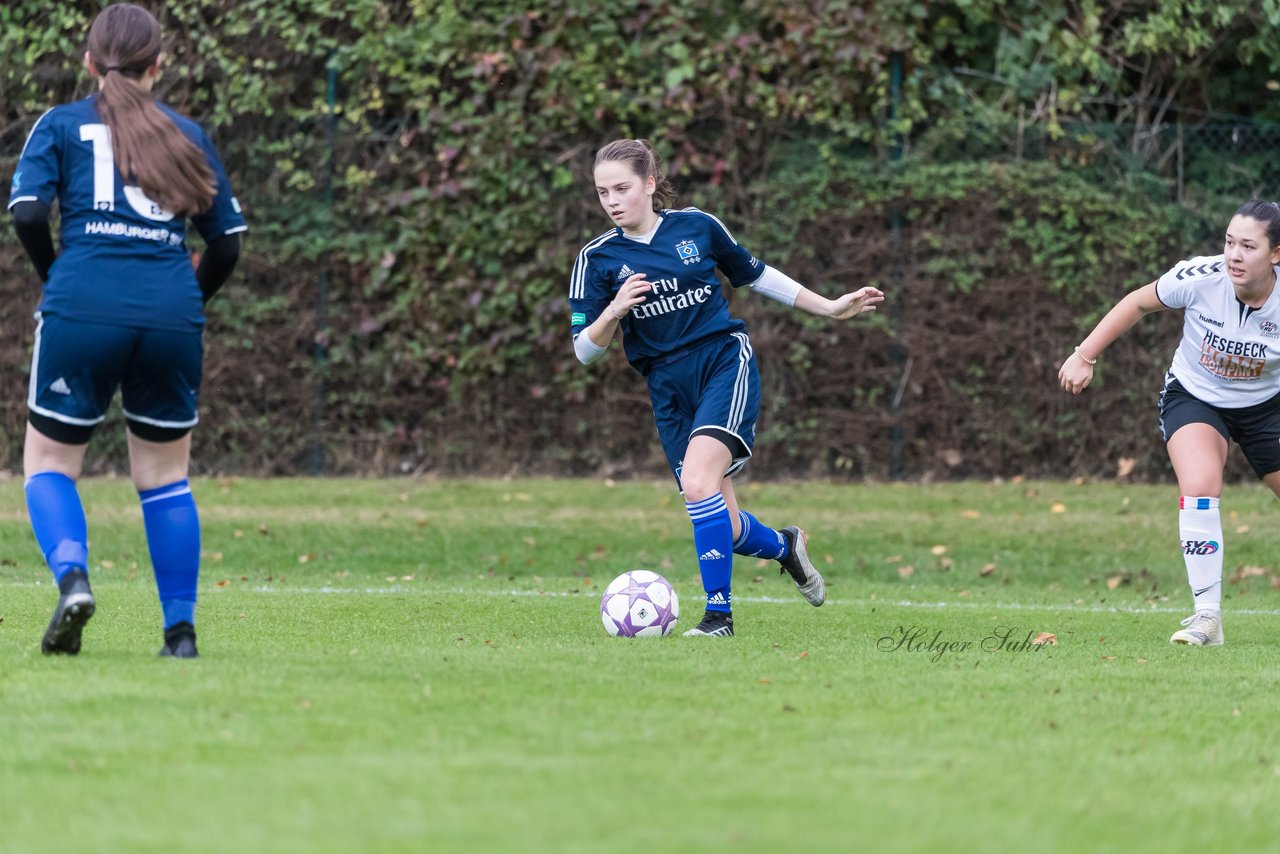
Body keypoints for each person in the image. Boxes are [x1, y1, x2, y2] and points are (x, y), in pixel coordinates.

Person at [7, 3, 246, 658]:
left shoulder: (59, 125)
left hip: (83, 303)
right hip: (171, 312)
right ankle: (180, 634)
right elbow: (225, 244)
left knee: (49, 463)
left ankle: (74, 579)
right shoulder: (186, 134)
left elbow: (28, 213)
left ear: (90, 63)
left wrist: (58, 278)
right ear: (157, 66)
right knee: (165, 477)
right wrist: (185, 302)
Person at [569, 138, 884, 637]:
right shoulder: (597, 259)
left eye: (622, 188)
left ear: (650, 185)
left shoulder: (698, 227)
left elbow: (755, 275)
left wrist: (828, 307)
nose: (611, 200)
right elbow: (585, 349)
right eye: (602, 191)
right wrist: (613, 311)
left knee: (698, 485)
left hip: (722, 363)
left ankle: (719, 618)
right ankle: (786, 547)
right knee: (724, 523)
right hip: (667, 387)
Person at [1059, 199, 1280, 646]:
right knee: (1199, 487)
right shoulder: (1201, 278)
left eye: (1249, 246)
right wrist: (1084, 355)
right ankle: (1207, 617)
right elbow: (1137, 303)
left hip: (1267, 408)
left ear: (1276, 254)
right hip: (1196, 398)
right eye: (1229, 242)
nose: (1233, 255)